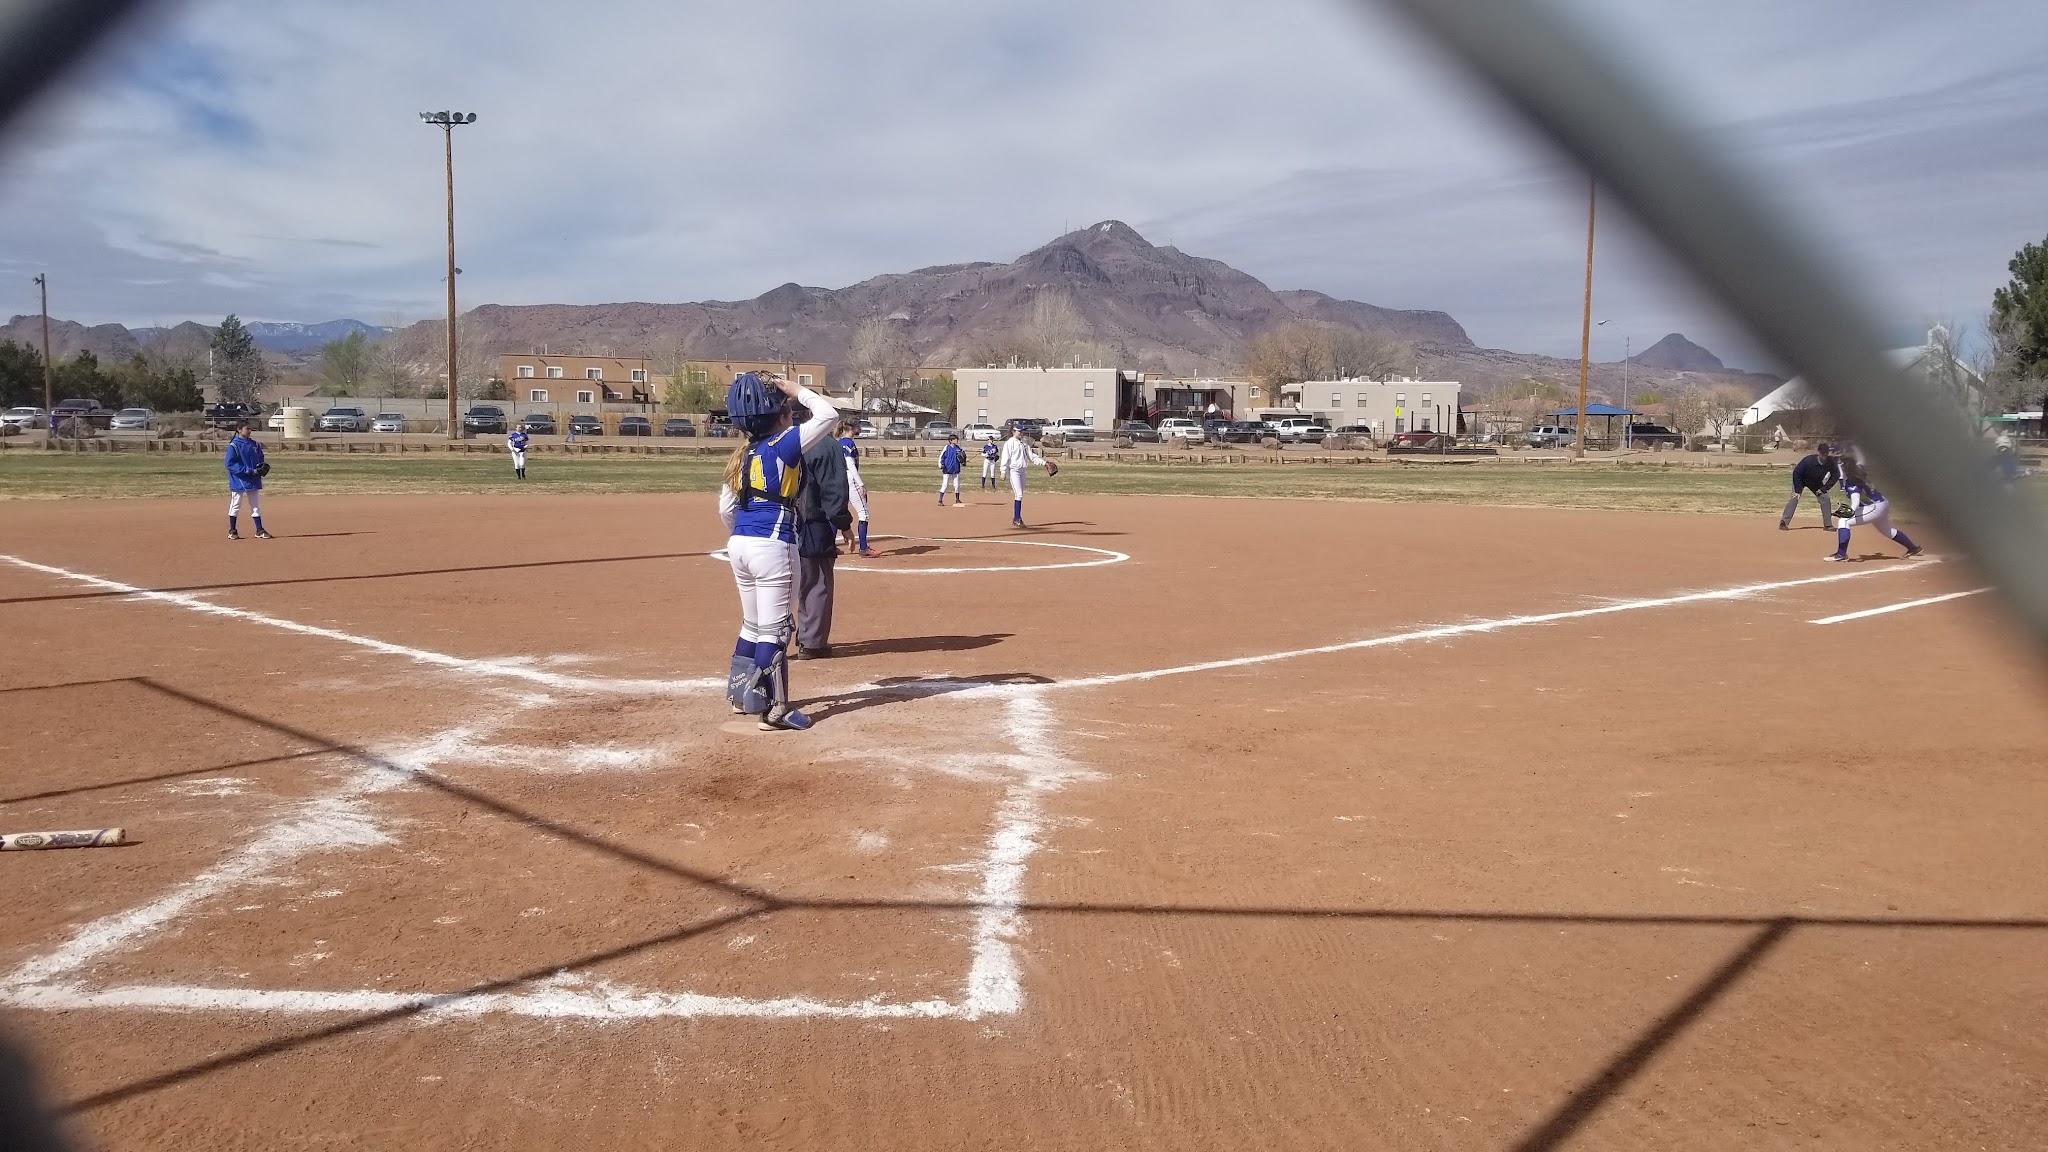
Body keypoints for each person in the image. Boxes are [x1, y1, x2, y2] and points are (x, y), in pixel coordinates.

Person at [718, 372, 838, 730]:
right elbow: (828, 416)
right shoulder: (782, 444)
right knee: (777, 629)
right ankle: (774, 710)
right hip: (774, 544)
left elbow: (726, 509)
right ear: (780, 416)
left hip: (739, 543)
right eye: (787, 410)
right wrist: (796, 389)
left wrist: (745, 533)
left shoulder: (743, 454)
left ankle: (743, 696)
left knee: (752, 624)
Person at [795, 415, 852, 659]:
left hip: (773, 524)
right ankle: (811, 642)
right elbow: (833, 491)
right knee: (816, 582)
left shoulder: (776, 440)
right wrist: (843, 523)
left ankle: (767, 642)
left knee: (775, 588)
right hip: (811, 522)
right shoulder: (826, 445)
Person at [1826, 453, 1922, 562]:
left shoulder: (1851, 481)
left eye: (1841, 467)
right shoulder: (1860, 472)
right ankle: (1913, 549)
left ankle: (1841, 554)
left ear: (1845, 468)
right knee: (1887, 531)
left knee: (1844, 521)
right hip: (1882, 503)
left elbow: (1856, 501)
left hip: (1874, 507)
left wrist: (1850, 512)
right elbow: (1860, 461)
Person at [224, 420, 271, 540]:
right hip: (239, 478)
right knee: (236, 504)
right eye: (247, 429)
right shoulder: (234, 446)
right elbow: (230, 464)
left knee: (255, 505)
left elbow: (260, 458)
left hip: (253, 478)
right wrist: (248, 471)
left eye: (250, 429)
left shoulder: (254, 444)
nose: (249, 431)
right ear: (239, 430)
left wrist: (260, 467)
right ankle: (232, 530)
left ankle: (259, 529)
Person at [997, 424, 1051, 528]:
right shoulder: (1009, 443)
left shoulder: (1024, 444)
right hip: (1014, 471)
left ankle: (1017, 518)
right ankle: (1016, 518)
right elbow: (1005, 458)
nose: (1022, 433)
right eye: (1019, 431)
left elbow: (1032, 457)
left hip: (1022, 471)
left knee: (1020, 494)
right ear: (1013, 432)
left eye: (1022, 431)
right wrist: (1003, 471)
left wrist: (1044, 463)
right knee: (1019, 494)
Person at [838, 421, 878, 557]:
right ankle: (863, 548)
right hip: (851, 480)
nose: (859, 429)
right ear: (852, 428)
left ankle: (830, 546)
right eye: (857, 426)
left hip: (841, 481)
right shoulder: (848, 443)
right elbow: (850, 465)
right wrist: (861, 484)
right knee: (864, 514)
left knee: (836, 512)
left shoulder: (839, 442)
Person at [1780, 441, 1839, 531]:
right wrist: (1798, 490)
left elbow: (1835, 475)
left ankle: (1828, 525)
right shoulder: (1808, 460)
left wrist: (1824, 488)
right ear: (1818, 452)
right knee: (1794, 498)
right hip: (1801, 480)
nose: (1824, 456)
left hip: (1816, 483)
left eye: (1826, 453)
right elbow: (1796, 473)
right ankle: (1784, 522)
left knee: (1825, 498)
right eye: (1823, 453)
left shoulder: (1831, 462)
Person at [938, 433, 965, 505]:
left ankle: (957, 499)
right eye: (955, 439)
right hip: (947, 469)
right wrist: (941, 464)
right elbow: (942, 457)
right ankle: (940, 500)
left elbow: (961, 457)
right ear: (951, 441)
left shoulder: (958, 448)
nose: (956, 440)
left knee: (957, 485)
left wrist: (963, 461)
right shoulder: (947, 447)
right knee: (945, 484)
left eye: (956, 439)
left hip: (956, 469)